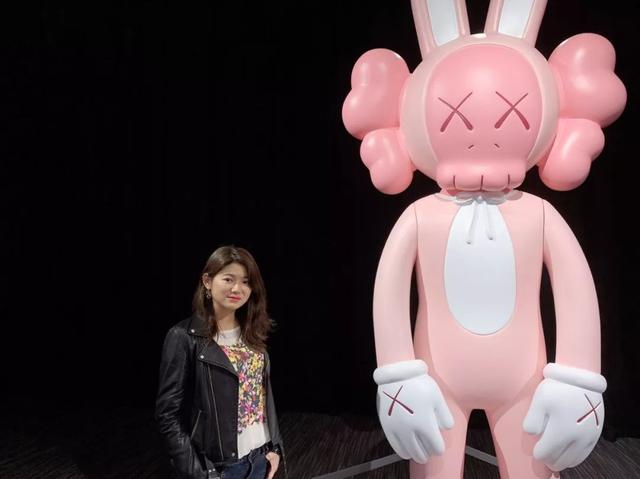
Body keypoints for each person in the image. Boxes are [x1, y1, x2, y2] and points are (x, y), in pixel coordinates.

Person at [155, 245, 284, 479]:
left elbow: (263, 396)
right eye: (228, 279)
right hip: (221, 468)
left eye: (246, 281)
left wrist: (274, 447)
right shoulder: (183, 337)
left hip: (261, 459)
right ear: (207, 281)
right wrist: (199, 473)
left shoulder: (252, 334)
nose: (237, 288)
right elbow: (168, 415)